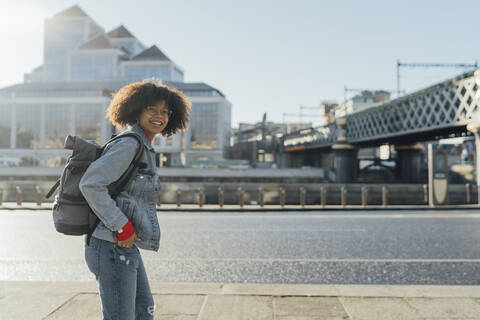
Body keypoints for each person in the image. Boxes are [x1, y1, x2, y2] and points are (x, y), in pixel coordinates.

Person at [80, 80, 191, 319]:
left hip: (123, 246)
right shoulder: (130, 144)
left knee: (144, 311)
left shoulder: (142, 145)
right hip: (111, 245)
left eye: (165, 111)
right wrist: (122, 226)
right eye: (152, 109)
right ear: (136, 109)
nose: (159, 116)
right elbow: (90, 184)